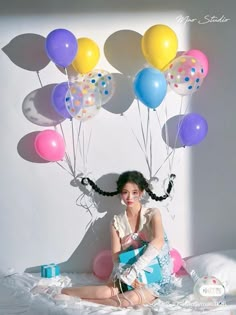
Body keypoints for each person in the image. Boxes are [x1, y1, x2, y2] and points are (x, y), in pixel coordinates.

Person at [60, 170, 175, 307]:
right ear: (120, 193)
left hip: (154, 276)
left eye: (134, 192)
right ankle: (61, 291)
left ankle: (83, 301)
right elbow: (116, 256)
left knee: (130, 298)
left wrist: (135, 271)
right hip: (125, 272)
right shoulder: (116, 221)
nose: (129, 197)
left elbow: (158, 241)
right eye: (125, 192)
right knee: (105, 292)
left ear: (142, 192)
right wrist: (128, 276)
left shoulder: (153, 214)